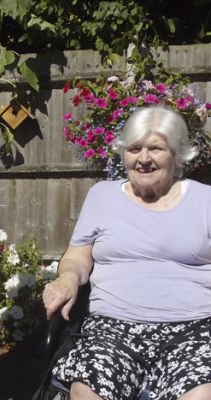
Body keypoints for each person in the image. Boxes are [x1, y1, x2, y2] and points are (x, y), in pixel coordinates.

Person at [43, 106, 211, 400]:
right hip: (113, 328)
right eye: (134, 149)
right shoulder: (102, 196)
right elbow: (77, 255)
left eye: (156, 148)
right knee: (87, 389)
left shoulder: (204, 200)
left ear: (176, 153)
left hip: (193, 329)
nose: (143, 159)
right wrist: (67, 278)